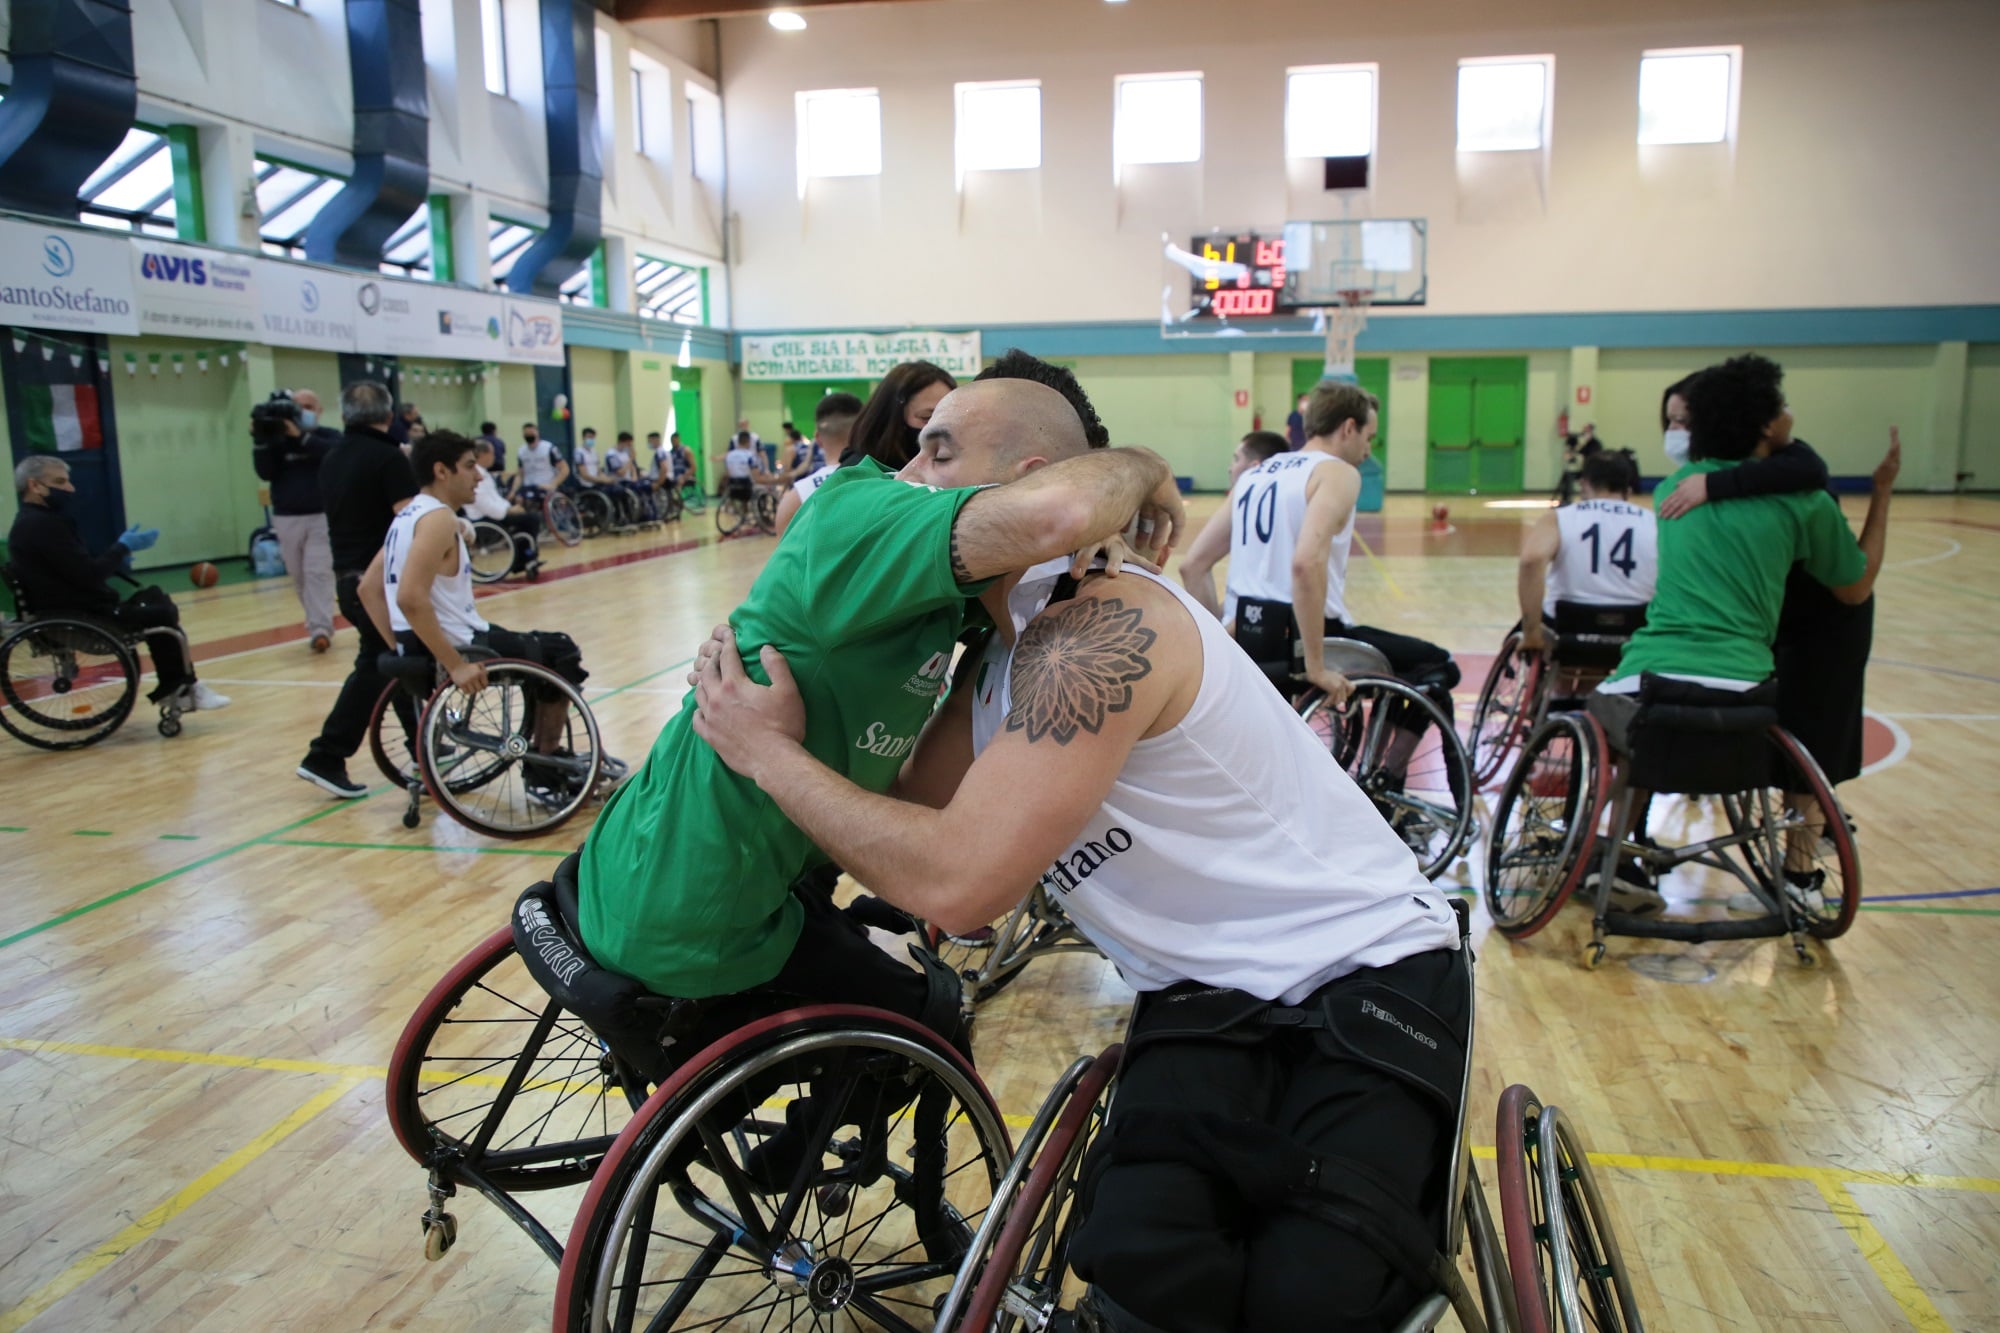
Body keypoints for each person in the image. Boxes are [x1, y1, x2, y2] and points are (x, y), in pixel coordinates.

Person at [688, 395, 1466, 1333]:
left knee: (1311, 1301)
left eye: (935, 452)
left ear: (1029, 487)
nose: (903, 480)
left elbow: (958, 884)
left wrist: (767, 757)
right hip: (1199, 997)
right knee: (1141, 1274)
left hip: (1366, 965)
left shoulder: (1102, 624)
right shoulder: (983, 667)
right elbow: (912, 839)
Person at [571, 371, 1185, 1091]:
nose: (912, 469)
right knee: (936, 1016)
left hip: (649, 861)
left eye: (940, 450)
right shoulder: (862, 508)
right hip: (696, 909)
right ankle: (803, 1161)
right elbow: (1054, 513)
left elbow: (925, 783)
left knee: (877, 902)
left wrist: (1095, 534)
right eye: (920, 440)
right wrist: (1145, 470)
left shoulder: (935, 582)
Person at [1586, 354, 1896, 905]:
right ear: (1766, 424)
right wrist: (1882, 495)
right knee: (1808, 734)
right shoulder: (1806, 504)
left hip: (1651, 679)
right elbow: (1853, 587)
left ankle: (1612, 853)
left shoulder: (1673, 492)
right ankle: (1799, 873)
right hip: (1748, 686)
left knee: (1615, 728)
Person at [356, 431, 622, 806]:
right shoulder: (436, 521)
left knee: (540, 647)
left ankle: (546, 756)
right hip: (462, 643)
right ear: (441, 471)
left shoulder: (407, 516)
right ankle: (545, 771)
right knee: (561, 651)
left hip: (429, 641)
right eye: (469, 467)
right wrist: (453, 663)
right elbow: (410, 597)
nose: (480, 476)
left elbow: (368, 590)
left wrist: (403, 648)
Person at [1653, 395, 1899, 795]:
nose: (1676, 431)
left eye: (1683, 421)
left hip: (1821, 624)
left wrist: (1715, 485)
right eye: (1672, 421)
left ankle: (1804, 842)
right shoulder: (1687, 486)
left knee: (1813, 751)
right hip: (1768, 633)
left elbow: (1854, 586)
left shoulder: (1796, 483)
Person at [1224, 382, 1461, 713]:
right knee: (1438, 668)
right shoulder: (1337, 473)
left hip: (1246, 632)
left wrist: (1222, 638)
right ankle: (1386, 767)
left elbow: (1194, 565)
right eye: (1369, 437)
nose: (1368, 449)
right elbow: (1306, 563)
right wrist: (1316, 665)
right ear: (1349, 428)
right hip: (1301, 635)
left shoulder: (1255, 474)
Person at [8, 456, 230, 714]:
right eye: (60, 482)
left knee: (155, 598)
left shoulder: (39, 521)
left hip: (75, 605)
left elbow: (78, 568)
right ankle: (179, 687)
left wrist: (116, 553)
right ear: (34, 485)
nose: (70, 489)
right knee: (160, 614)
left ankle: (181, 687)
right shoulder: (39, 525)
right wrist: (122, 548)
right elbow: (89, 574)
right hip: (77, 613)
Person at [295, 380, 418, 799]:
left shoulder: (331, 458)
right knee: (381, 663)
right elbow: (409, 525)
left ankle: (421, 750)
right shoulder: (389, 459)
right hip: (377, 583)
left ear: (344, 415)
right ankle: (326, 754)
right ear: (389, 415)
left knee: (393, 662)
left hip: (346, 579)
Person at [1516, 448, 1657, 656]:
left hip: (1570, 623)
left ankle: (1562, 685)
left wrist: (1531, 633)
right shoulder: (1655, 522)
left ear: (1583, 484)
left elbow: (1531, 561)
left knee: (1545, 642)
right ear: (1628, 489)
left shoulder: (1559, 518)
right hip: (1636, 624)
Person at [250, 388, 338, 653]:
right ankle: (315, 621)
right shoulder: (276, 441)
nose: (303, 412)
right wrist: (261, 439)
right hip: (286, 516)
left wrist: (300, 437)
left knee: (318, 572)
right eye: (298, 407)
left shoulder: (328, 437)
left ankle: (320, 628)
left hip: (321, 515)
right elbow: (265, 472)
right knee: (298, 575)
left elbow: (333, 455)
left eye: (309, 406)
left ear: (319, 410)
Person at [1177, 428, 1291, 622]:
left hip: (1251, 629)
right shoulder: (1291, 503)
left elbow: (1192, 566)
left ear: (1255, 468)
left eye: (1236, 459)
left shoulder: (1243, 495)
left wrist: (1217, 633)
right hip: (1279, 626)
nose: (1230, 467)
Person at [773, 392, 864, 535]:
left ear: (818, 438)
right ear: (864, 432)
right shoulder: (887, 482)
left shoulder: (794, 500)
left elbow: (785, 556)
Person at [845, 360, 959, 471]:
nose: (940, 425)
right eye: (927, 417)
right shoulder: (857, 475)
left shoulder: (953, 470)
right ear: (891, 419)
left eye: (949, 417)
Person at [466, 437, 541, 575]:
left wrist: (510, 508)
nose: (494, 457)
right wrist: (508, 511)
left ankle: (526, 557)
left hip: (493, 514)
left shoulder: (484, 473)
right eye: (492, 453)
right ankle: (525, 558)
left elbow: (495, 499)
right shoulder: (475, 474)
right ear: (483, 454)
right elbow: (483, 503)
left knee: (528, 518)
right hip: (484, 519)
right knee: (531, 520)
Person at [510, 420, 569, 507]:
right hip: (528, 486)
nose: (529, 435)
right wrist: (513, 491)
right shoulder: (521, 451)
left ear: (537, 433)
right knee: (518, 500)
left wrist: (553, 484)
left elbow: (565, 469)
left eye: (531, 433)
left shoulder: (549, 448)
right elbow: (520, 474)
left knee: (559, 501)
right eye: (526, 434)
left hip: (545, 485)